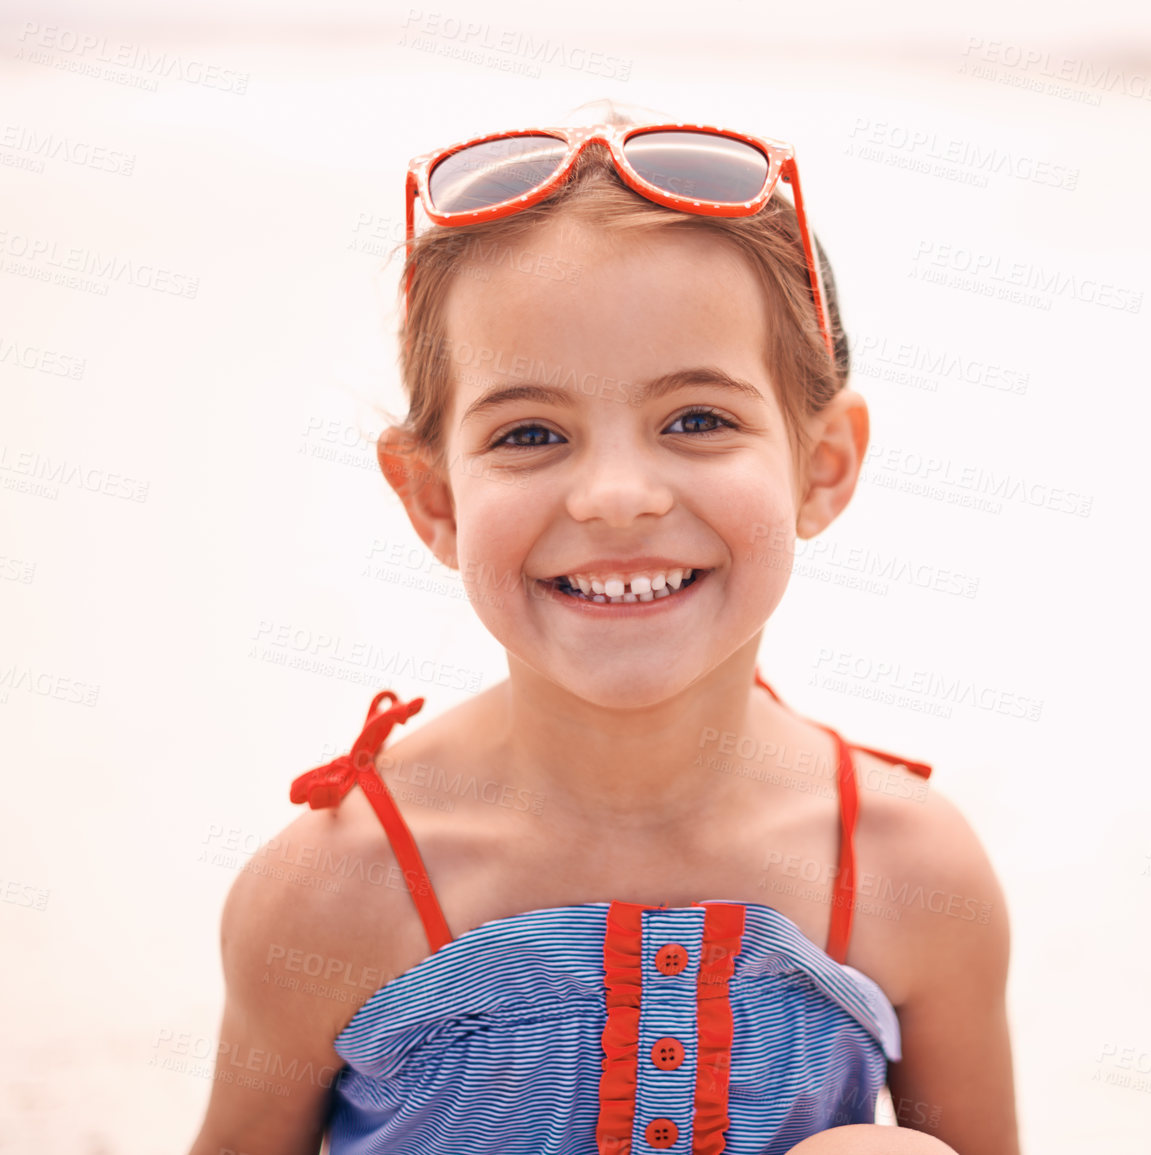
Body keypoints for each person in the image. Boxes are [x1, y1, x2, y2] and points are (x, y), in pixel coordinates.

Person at [186, 97, 1018, 1154]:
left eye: (697, 420)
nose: (616, 496)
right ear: (431, 498)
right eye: (531, 432)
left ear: (824, 465)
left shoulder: (907, 872)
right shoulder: (337, 890)